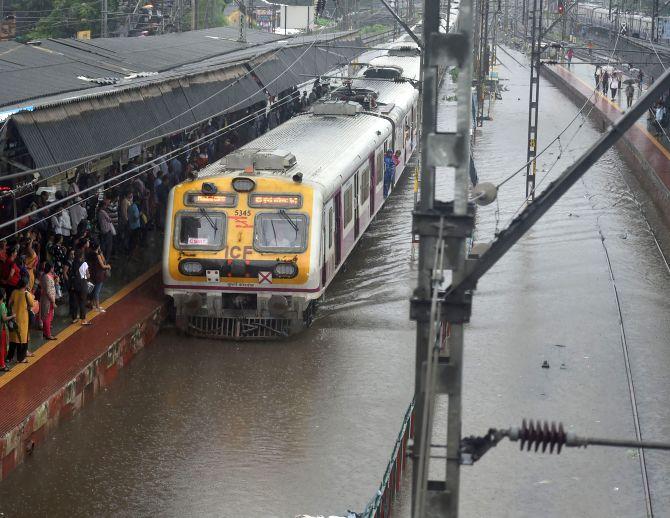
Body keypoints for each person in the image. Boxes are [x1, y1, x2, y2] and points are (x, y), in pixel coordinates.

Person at [7, 278, 35, 364]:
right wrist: (29, 292)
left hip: (14, 318)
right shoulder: (26, 294)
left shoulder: (14, 292)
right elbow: (32, 303)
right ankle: (21, 358)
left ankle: (9, 358)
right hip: (23, 319)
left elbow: (9, 303)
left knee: (13, 339)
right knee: (22, 340)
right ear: (25, 285)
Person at [70, 250, 92, 326]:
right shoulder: (84, 264)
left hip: (75, 284)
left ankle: (74, 318)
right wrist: (87, 276)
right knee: (82, 302)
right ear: (82, 256)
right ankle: (83, 320)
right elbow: (88, 275)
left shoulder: (73, 263)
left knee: (75, 302)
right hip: (82, 284)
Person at [89, 242, 111, 313]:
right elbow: (103, 264)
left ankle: (92, 304)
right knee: (97, 291)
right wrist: (108, 266)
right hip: (99, 274)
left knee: (94, 289)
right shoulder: (97, 255)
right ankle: (98, 307)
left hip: (93, 273)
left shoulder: (91, 254)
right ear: (98, 247)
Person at [39, 262, 58, 340]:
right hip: (48, 300)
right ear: (50, 268)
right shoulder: (46, 277)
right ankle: (48, 334)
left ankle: (45, 332)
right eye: (53, 267)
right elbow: (48, 291)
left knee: (48, 316)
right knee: (47, 317)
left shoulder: (47, 276)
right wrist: (53, 302)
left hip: (49, 299)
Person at [0, 288, 15, 371]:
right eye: (5, 293)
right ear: (2, 295)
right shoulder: (2, 305)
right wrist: (12, 316)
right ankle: (2, 365)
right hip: (2, 329)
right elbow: (4, 318)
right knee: (2, 347)